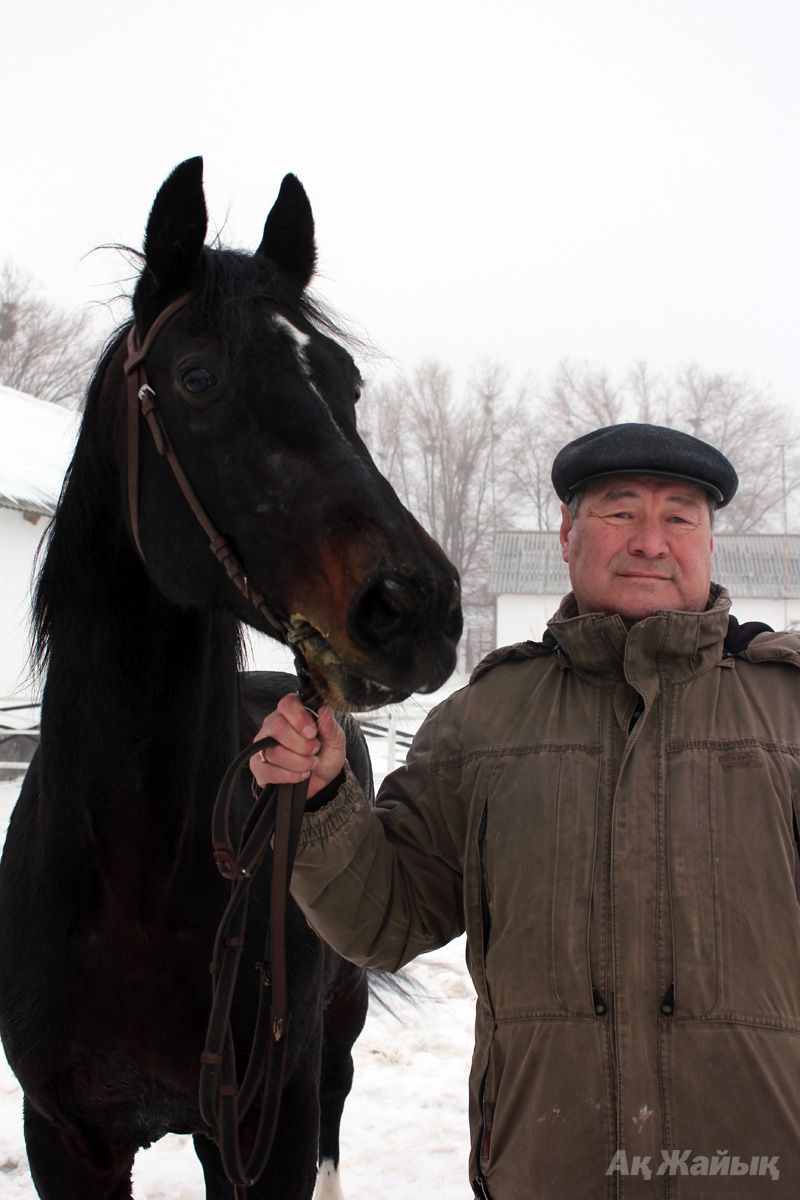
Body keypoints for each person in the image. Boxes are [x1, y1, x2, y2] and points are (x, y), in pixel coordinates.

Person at [250, 423, 800, 1199]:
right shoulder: (484, 721)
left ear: (710, 543)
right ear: (568, 536)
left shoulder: (789, 713)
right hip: (548, 1173)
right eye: (619, 512)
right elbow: (384, 920)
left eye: (680, 516)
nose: (650, 540)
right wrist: (325, 801)